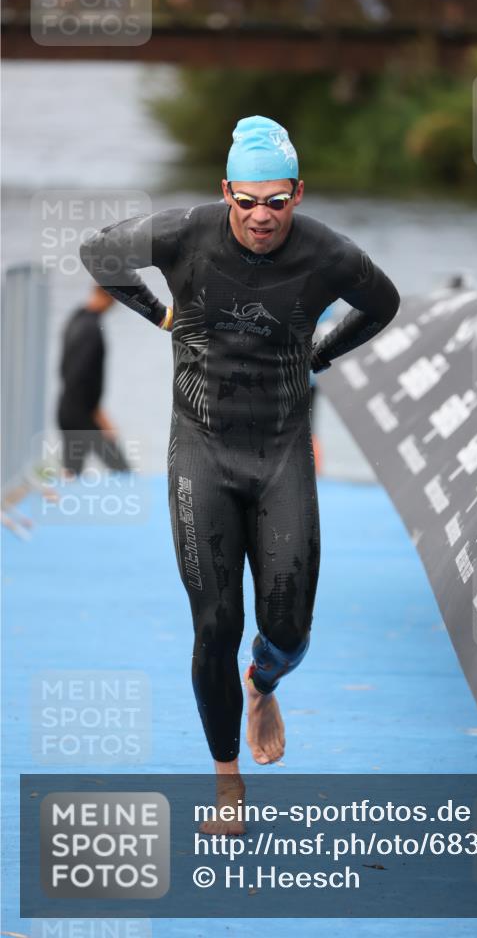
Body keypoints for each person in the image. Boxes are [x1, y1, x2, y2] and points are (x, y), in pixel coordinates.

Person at [79, 115, 400, 832]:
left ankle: (265, 683)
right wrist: (160, 315)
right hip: (200, 449)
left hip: (281, 452)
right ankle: (227, 788)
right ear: (225, 190)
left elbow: (384, 304)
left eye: (277, 201)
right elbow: (96, 250)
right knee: (214, 622)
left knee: (287, 627)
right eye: (247, 199)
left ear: (298, 194)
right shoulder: (184, 233)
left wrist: (319, 353)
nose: (261, 216)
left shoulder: (329, 256)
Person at [57, 286, 131, 477]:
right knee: (122, 471)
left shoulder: (76, 318)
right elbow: (79, 377)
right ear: (110, 295)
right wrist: (98, 416)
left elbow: (64, 370)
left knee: (72, 473)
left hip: (66, 408)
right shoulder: (92, 330)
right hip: (82, 415)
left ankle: (64, 500)